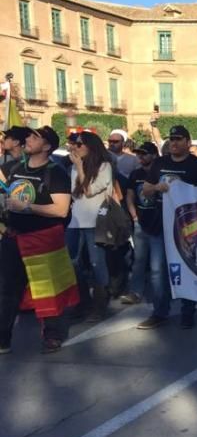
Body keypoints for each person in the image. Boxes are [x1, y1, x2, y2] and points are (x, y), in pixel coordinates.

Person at [0, 126, 77, 355]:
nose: (29, 139)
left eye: (35, 137)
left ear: (46, 146)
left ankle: (52, 335)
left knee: (47, 288)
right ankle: (3, 338)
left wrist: (27, 206)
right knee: (6, 289)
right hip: (13, 237)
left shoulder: (56, 172)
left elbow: (61, 210)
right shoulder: (14, 167)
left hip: (43, 241)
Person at [137, 125, 197, 330]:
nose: (174, 143)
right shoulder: (159, 163)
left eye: (179, 139)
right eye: (172, 139)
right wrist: (156, 187)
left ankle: (188, 311)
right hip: (160, 223)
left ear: (188, 142)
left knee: (188, 267)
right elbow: (145, 190)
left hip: (188, 226)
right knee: (157, 270)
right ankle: (160, 311)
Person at [66, 131, 114, 322]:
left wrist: (80, 167)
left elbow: (89, 190)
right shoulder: (74, 168)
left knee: (96, 263)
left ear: (90, 146)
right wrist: (77, 167)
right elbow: (75, 193)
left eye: (79, 144)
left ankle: (100, 303)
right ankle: (82, 300)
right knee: (73, 262)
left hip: (95, 221)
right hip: (76, 222)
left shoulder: (104, 166)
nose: (75, 147)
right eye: (75, 144)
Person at [122, 141, 159, 306]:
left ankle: (160, 294)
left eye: (144, 153)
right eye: (139, 154)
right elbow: (130, 195)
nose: (140, 157)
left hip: (158, 221)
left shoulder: (160, 172)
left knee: (158, 263)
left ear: (154, 155)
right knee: (139, 259)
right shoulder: (135, 174)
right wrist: (134, 215)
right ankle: (135, 292)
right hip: (140, 221)